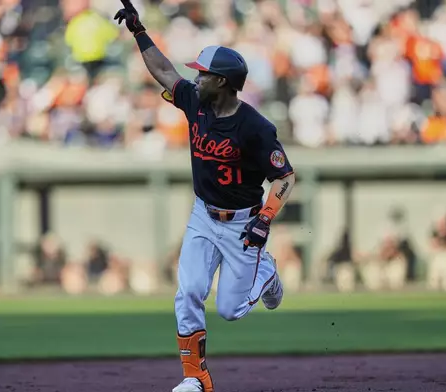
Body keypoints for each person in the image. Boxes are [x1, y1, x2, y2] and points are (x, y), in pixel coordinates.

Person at [114, 2, 297, 392]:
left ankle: (266, 275)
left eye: (203, 74)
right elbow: (164, 71)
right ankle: (196, 379)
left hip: (243, 223)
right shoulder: (196, 102)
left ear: (224, 82)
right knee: (190, 292)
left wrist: (264, 219)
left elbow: (285, 177)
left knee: (229, 310)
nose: (195, 78)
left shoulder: (255, 127)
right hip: (203, 215)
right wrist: (139, 31)